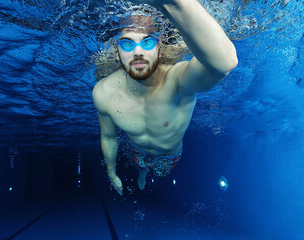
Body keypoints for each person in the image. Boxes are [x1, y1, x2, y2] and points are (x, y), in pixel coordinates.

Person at [92, 0, 238, 196]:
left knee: (160, 174)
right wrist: (111, 171)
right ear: (117, 53)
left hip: (169, 156)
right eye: (127, 44)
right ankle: (142, 172)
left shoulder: (176, 81)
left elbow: (224, 63)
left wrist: (170, 3)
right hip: (136, 150)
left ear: (159, 49)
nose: (138, 52)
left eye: (148, 41)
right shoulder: (103, 93)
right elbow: (109, 136)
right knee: (141, 166)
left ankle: (146, 174)